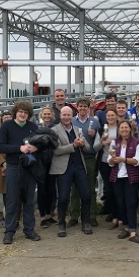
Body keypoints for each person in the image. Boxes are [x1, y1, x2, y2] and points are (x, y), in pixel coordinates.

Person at [0, 100, 41, 244]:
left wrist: (36, 148)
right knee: (12, 200)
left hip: (29, 167)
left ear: (29, 114)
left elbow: (41, 143)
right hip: (14, 166)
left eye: (26, 112)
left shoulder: (33, 127)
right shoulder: (7, 126)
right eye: (20, 111)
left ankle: (29, 230)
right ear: (16, 112)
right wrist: (19, 148)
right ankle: (9, 231)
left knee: (28, 200)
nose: (23, 114)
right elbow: (1, 147)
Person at [50, 106, 94, 237]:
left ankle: (85, 222)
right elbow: (56, 150)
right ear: (60, 116)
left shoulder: (76, 129)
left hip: (79, 166)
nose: (66, 117)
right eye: (64, 115)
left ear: (72, 116)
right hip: (64, 168)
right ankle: (62, 223)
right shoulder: (54, 130)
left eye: (69, 115)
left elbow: (87, 148)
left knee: (86, 195)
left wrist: (82, 143)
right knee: (63, 197)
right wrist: (73, 146)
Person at [108, 120, 139, 244]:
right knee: (121, 203)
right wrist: (113, 158)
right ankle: (126, 228)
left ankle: (133, 232)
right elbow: (110, 162)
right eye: (121, 128)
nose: (124, 130)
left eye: (126, 127)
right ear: (118, 130)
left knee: (132, 203)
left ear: (130, 129)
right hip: (117, 177)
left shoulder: (136, 142)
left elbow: (138, 161)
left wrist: (123, 159)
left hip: (131, 178)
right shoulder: (114, 142)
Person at [70, 97, 103, 227]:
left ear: (88, 108)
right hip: (75, 158)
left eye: (85, 106)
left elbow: (99, 140)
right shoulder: (72, 121)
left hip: (89, 157)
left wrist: (94, 134)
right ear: (77, 107)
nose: (82, 108)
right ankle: (74, 215)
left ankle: (92, 214)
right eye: (80, 106)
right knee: (75, 189)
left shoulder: (94, 122)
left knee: (90, 187)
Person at [36, 107, 57, 227]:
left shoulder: (56, 128)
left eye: (49, 114)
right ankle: (42, 216)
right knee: (41, 189)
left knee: (51, 189)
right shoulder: (37, 127)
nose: (47, 116)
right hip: (41, 161)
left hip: (53, 161)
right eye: (45, 114)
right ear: (41, 115)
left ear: (52, 115)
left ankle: (49, 214)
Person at [99, 107, 120, 228]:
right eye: (108, 116)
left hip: (118, 162)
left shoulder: (121, 128)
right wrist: (102, 141)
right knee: (109, 190)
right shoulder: (103, 129)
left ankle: (120, 216)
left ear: (116, 116)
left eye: (113, 115)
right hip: (105, 162)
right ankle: (113, 216)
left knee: (118, 190)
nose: (111, 117)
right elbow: (97, 146)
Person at [0, 110, 12, 219]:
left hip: (15, 163)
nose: (7, 120)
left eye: (9, 117)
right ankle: (8, 216)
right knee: (5, 191)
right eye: (5, 118)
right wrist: (3, 162)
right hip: (3, 166)